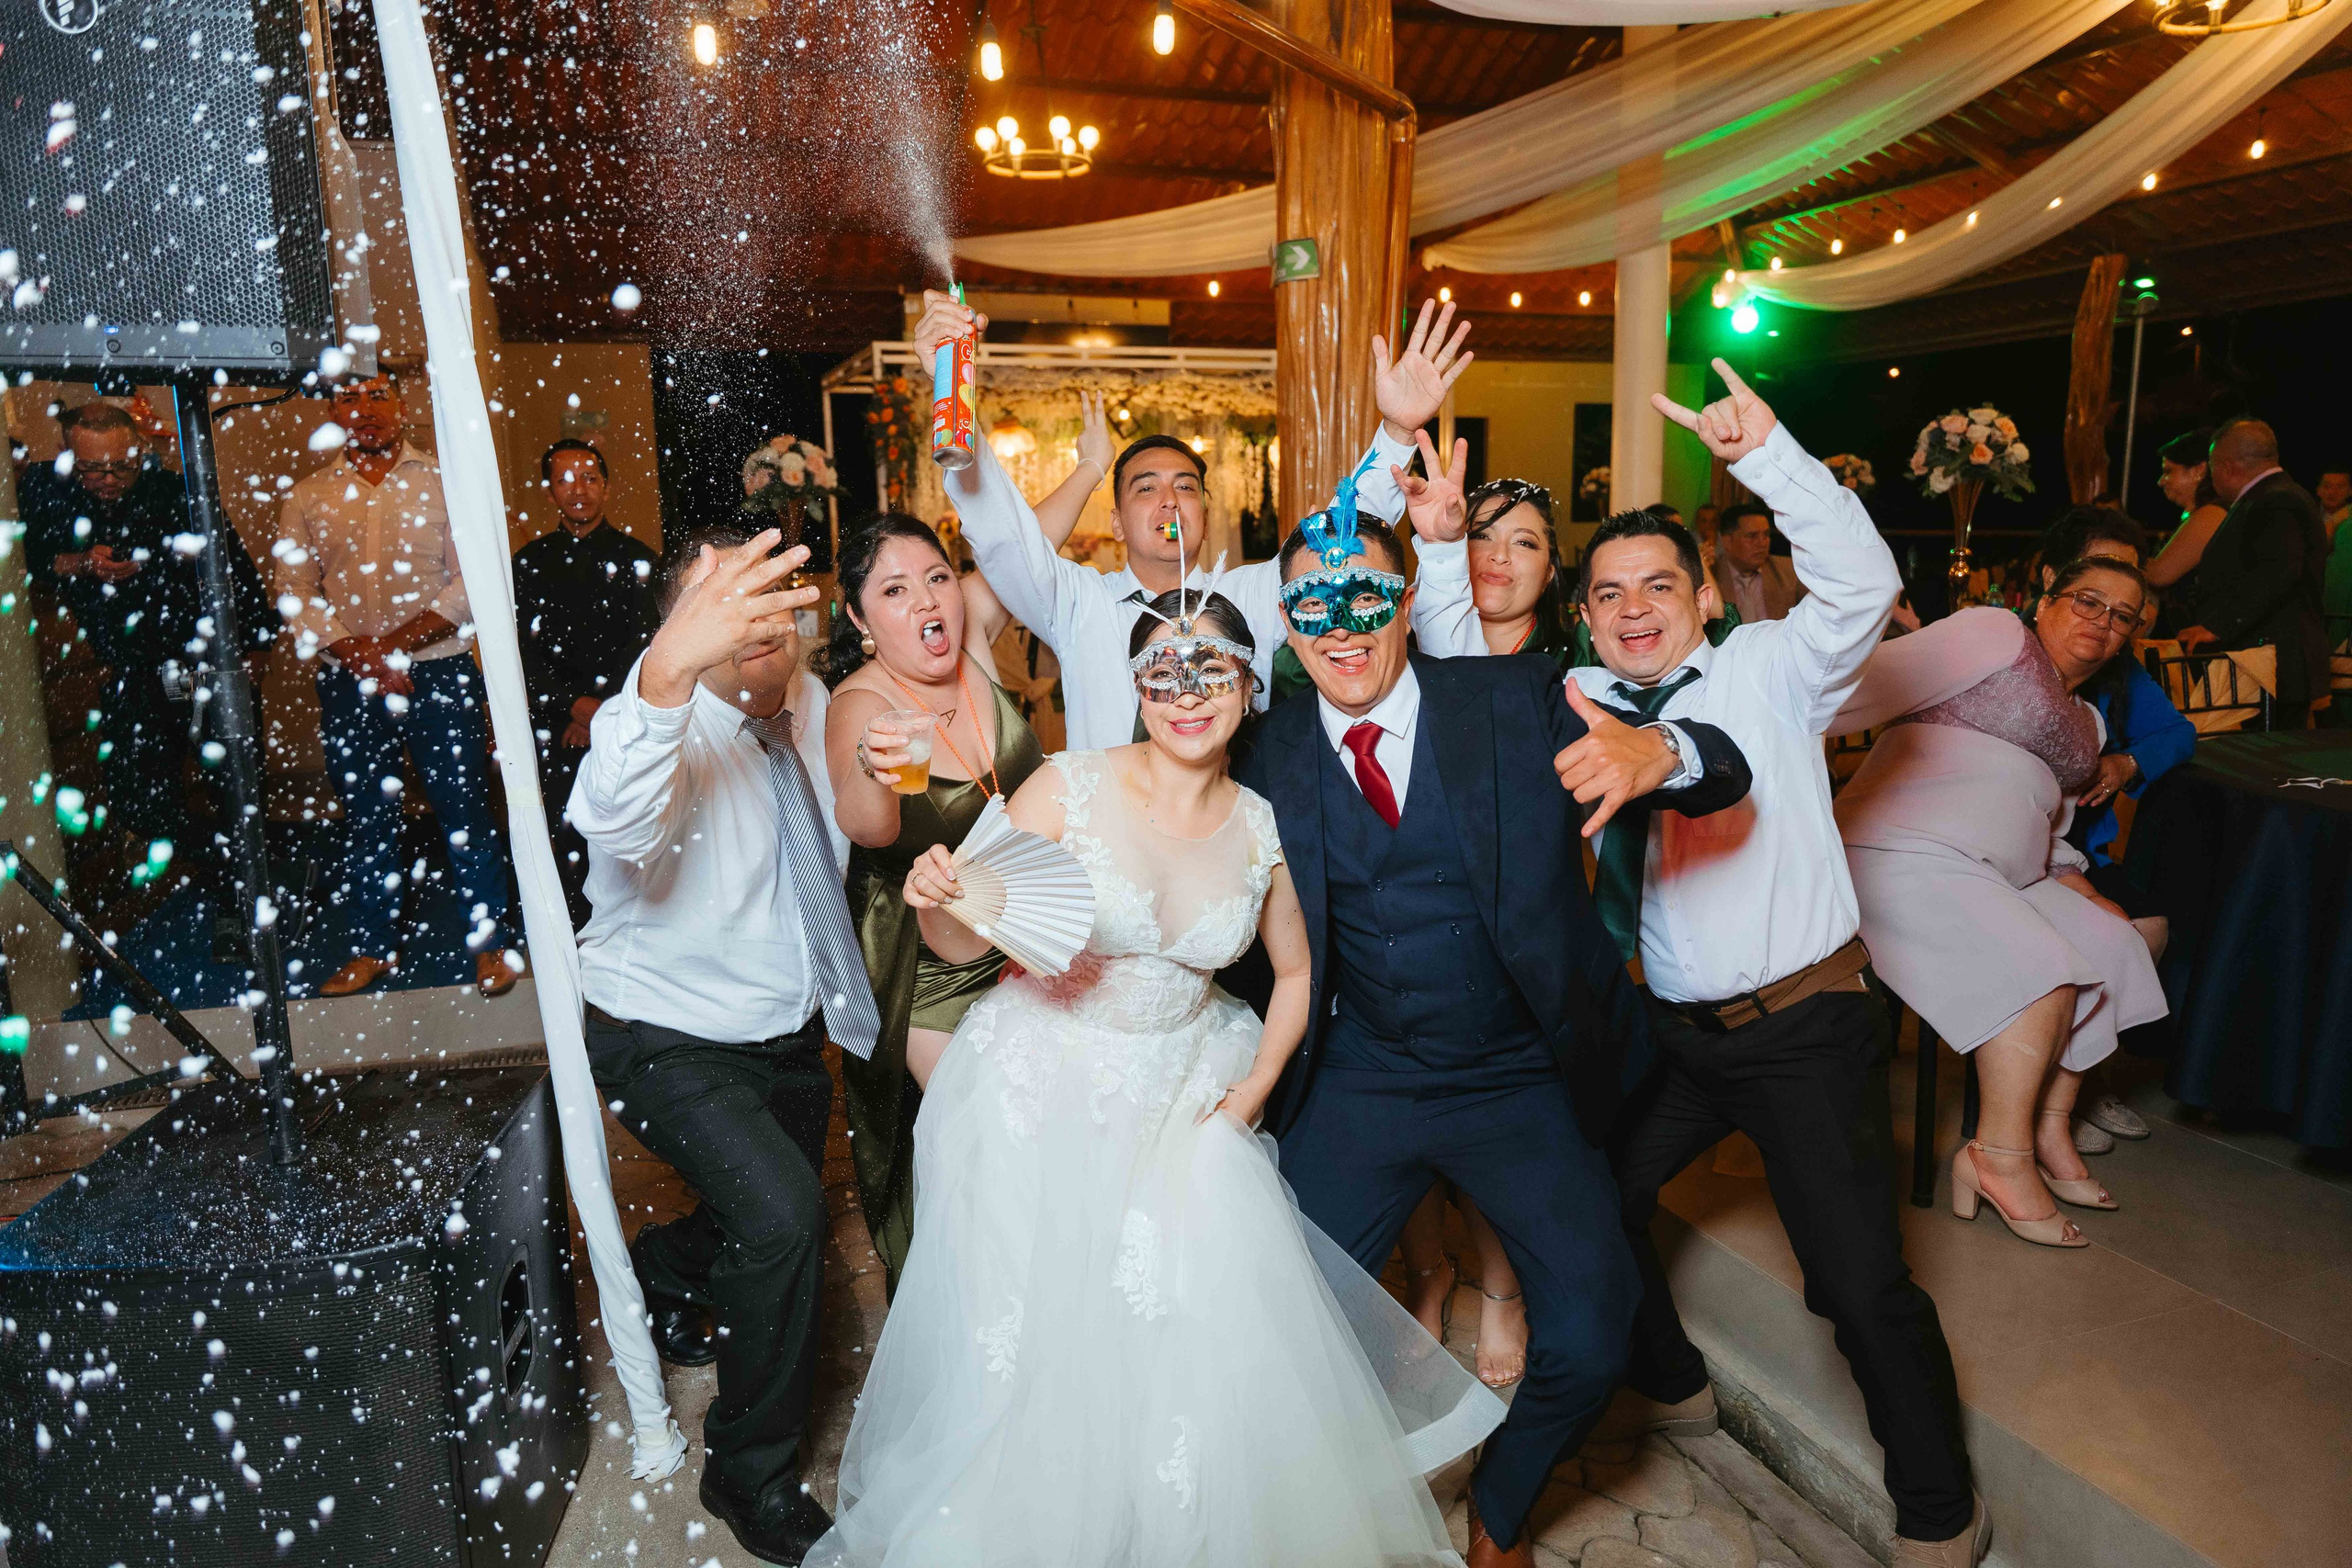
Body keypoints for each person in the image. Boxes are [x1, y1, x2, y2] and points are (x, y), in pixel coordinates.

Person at [810, 587, 1505, 1566]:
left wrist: (1254, 1090)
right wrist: (937, 896)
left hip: (1189, 1088)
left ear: (1248, 688)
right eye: (1162, 674)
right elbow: (966, 929)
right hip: (1040, 1089)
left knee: (1186, 1338)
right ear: (1136, 689)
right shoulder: (1066, 784)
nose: (1186, 693)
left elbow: (1300, 973)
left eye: (1210, 669)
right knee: (1042, 1341)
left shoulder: (1264, 824)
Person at [1235, 484, 1752, 1568]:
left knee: (1595, 1325)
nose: (1339, 626)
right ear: (1285, 622)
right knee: (1270, 1314)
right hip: (1362, 1071)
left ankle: (1503, 1511)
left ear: (1409, 596)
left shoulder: (1514, 700)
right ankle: (1308, 1510)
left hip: (1517, 1073)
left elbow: (1718, 769)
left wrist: (1664, 756)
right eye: (1311, 605)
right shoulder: (1260, 746)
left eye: (1364, 595)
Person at [1565, 363, 1986, 1568]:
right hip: (1679, 1035)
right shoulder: (1584, 696)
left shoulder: (1774, 664)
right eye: (1609, 592)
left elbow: (1862, 581)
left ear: (1705, 594)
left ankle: (1940, 1500)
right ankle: (1671, 1378)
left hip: (1805, 1023)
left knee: (1858, 1285)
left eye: (1660, 582)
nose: (1635, 606)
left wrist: (1772, 461)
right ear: (1586, 614)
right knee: (1596, 1195)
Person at [568, 525, 860, 1565]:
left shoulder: (821, 709)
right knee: (783, 1217)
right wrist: (661, 677)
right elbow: (616, 818)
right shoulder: (653, 723)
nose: (752, 622)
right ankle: (749, 1472)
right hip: (661, 1028)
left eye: (766, 598)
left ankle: (661, 1266)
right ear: (679, 626)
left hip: (786, 1024)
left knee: (774, 1209)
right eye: (719, 603)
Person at [919, 292, 1487, 750]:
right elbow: (1005, 539)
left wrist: (1393, 429)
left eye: (1186, 487)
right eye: (1147, 488)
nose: (1169, 500)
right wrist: (953, 394)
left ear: (1206, 516)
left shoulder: (1251, 591)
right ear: (1116, 523)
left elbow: (1341, 537)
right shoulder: (1077, 602)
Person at [1835, 559, 2170, 1251]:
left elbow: (2047, 825)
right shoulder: (1996, 634)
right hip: (1903, 845)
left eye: (2121, 615)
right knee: (2041, 969)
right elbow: (1852, 691)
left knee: (2120, 943)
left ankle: (2052, 1122)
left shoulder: (2091, 726)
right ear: (2045, 599)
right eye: (2087, 600)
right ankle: (1998, 1156)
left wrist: (2078, 881)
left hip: (2004, 868)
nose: (2101, 621)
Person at [820, 512, 1045, 1288]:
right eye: (894, 589)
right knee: (993, 1128)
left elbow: (1020, 540)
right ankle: (982, 1303)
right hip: (923, 963)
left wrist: (1086, 470)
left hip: (1026, 931)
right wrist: (874, 765)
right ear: (858, 617)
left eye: (938, 577)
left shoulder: (971, 637)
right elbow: (867, 822)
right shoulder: (860, 705)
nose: (927, 602)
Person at [273, 374, 521, 997]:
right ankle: (372, 948)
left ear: (401, 406)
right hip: (348, 682)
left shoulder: (446, 483)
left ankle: (491, 945)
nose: (365, 412)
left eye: (377, 396)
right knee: (366, 817)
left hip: (438, 671)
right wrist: (354, 651)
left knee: (464, 809)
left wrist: (392, 648)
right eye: (349, 400)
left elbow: (471, 584)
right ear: (332, 412)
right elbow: (293, 591)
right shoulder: (307, 496)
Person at [18, 400, 272, 911]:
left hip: (201, 664)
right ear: (68, 454)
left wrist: (255, 653)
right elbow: (22, 559)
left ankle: (243, 909)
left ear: (138, 453)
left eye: (122, 465)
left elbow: (236, 571)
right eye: (93, 468)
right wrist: (77, 563)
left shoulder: (175, 493)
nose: (109, 478)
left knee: (235, 790)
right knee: (139, 800)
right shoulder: (41, 491)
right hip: (129, 671)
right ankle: (231, 873)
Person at [514, 437, 662, 927]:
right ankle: (571, 931)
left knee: (626, 831)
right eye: (565, 479)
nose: (579, 489)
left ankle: (626, 929)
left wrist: (601, 710)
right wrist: (570, 707)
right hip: (553, 726)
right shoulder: (528, 564)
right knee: (561, 830)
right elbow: (523, 652)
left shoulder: (640, 559)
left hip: (623, 719)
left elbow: (645, 645)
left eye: (590, 478)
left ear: (607, 487)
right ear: (549, 491)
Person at [2173, 419, 2331, 728]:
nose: (2211, 477)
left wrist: (2218, 626)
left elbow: (2278, 572)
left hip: (2273, 663)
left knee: (2263, 763)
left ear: (2228, 466)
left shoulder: (2278, 500)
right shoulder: (2275, 496)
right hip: (2266, 661)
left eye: (2212, 466)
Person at [2143, 427, 2223, 634]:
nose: (2161, 481)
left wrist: (2118, 558)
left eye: (2169, 471)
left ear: (2199, 470)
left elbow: (2160, 573)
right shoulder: (2198, 514)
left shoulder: (2212, 513)